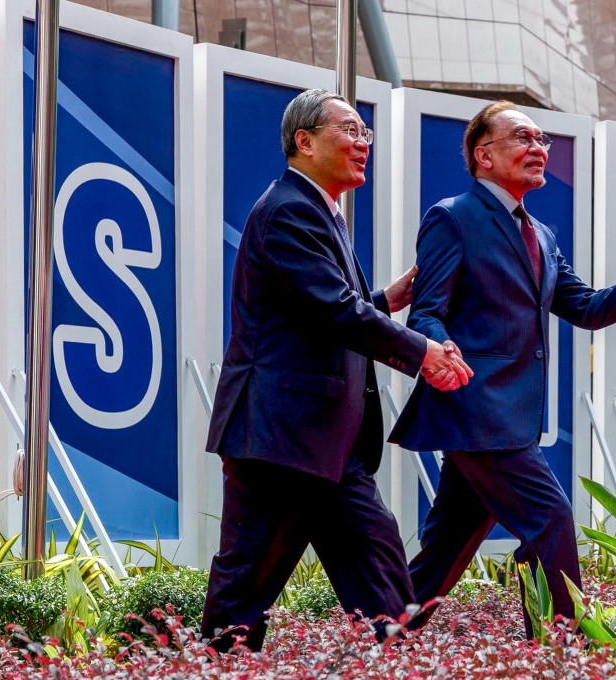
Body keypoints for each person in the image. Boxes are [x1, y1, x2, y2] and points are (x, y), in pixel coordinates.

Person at [390, 100, 616, 637]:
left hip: (511, 416)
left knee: (446, 548)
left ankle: (383, 637)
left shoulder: (543, 235)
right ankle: (557, 651)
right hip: (476, 410)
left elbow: (589, 308)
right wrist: (441, 350)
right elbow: (427, 313)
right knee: (551, 520)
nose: (538, 149)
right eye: (523, 138)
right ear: (484, 155)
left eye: (542, 140)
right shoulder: (451, 217)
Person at [200, 88, 473, 652]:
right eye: (350, 131)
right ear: (303, 142)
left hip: (327, 445)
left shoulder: (318, 208)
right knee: (242, 596)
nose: (362, 143)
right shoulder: (288, 210)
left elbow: (321, 311)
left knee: (384, 581)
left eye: (365, 133)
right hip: (278, 440)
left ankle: (398, 664)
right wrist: (423, 350)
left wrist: (385, 300)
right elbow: (333, 310)